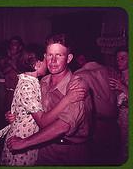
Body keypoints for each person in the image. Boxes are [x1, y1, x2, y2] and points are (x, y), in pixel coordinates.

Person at [7, 36, 92, 165]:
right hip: (43, 149)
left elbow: (63, 126)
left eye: (59, 55)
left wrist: (25, 142)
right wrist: (16, 114)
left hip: (70, 152)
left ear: (68, 58)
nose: (53, 61)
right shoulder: (42, 82)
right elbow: (32, 107)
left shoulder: (77, 85)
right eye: (50, 55)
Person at [73, 50, 120, 165]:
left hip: (96, 126)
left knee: (97, 160)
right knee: (112, 159)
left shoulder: (80, 75)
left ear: (81, 59)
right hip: (114, 124)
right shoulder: (111, 71)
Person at [109, 46, 129, 163]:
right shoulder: (118, 76)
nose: (119, 61)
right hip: (119, 119)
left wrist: (122, 87)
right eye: (117, 59)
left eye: (123, 58)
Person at [0, 36, 24, 112]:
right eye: (12, 43)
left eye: (15, 43)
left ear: (20, 46)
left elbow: (21, 72)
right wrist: (11, 61)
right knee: (6, 112)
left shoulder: (23, 58)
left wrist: (12, 63)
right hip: (7, 90)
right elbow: (3, 71)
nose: (13, 45)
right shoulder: (5, 57)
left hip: (19, 91)